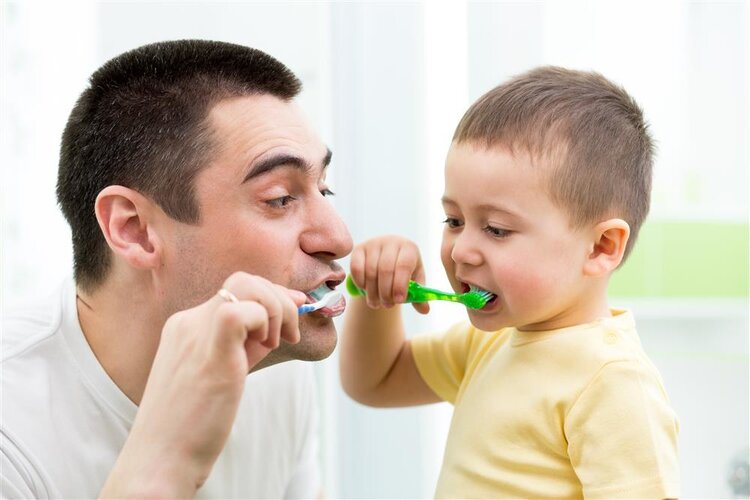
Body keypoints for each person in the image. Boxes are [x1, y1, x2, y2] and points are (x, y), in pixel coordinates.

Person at [1, 39, 352, 498]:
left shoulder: (272, 368)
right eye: (280, 198)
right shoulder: (11, 437)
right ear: (134, 230)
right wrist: (165, 463)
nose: (339, 237)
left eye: (324, 189)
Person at [341, 66, 680, 498]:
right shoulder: (486, 343)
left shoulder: (612, 381)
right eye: (454, 220)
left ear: (600, 247)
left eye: (497, 229)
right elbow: (376, 381)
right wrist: (377, 294)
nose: (461, 250)